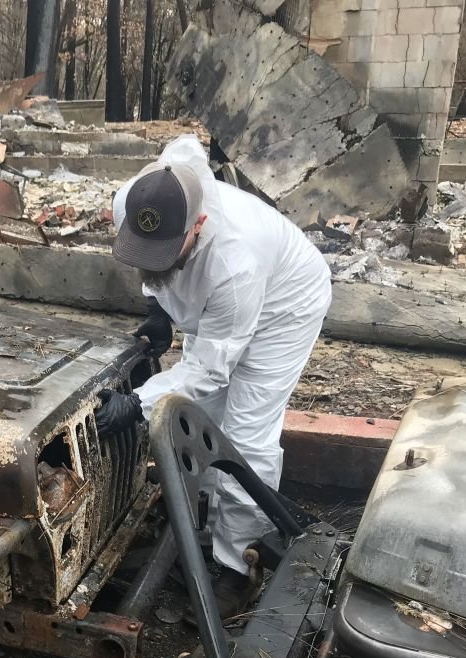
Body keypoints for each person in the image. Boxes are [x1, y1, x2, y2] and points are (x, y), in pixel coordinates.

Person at [95, 135, 332, 621]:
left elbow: (208, 369)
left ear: (198, 226)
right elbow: (150, 256)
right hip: (222, 307)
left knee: (243, 431)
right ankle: (199, 530)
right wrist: (157, 308)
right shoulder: (139, 199)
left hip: (283, 307)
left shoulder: (233, 263)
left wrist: (137, 404)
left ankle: (235, 566)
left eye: (165, 251)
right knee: (201, 415)